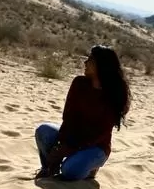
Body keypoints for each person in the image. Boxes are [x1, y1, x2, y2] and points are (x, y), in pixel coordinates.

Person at [35, 45, 131, 181]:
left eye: (90, 60)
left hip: (96, 147)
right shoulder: (79, 83)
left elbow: (100, 133)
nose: (85, 63)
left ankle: (91, 168)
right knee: (43, 131)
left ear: (101, 65)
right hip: (73, 138)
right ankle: (49, 168)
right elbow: (68, 117)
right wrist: (60, 144)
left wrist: (70, 149)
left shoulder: (114, 94)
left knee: (69, 171)